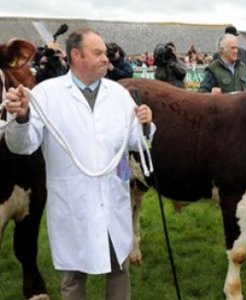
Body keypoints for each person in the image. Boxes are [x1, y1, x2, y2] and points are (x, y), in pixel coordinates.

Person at [4, 28, 154, 300]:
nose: (105, 59)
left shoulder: (119, 95)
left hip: (112, 200)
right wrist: (23, 117)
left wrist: (145, 125)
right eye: (97, 53)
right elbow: (22, 145)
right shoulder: (47, 94)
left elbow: (135, 141)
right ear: (76, 55)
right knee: (73, 278)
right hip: (73, 203)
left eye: (105, 53)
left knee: (119, 269)